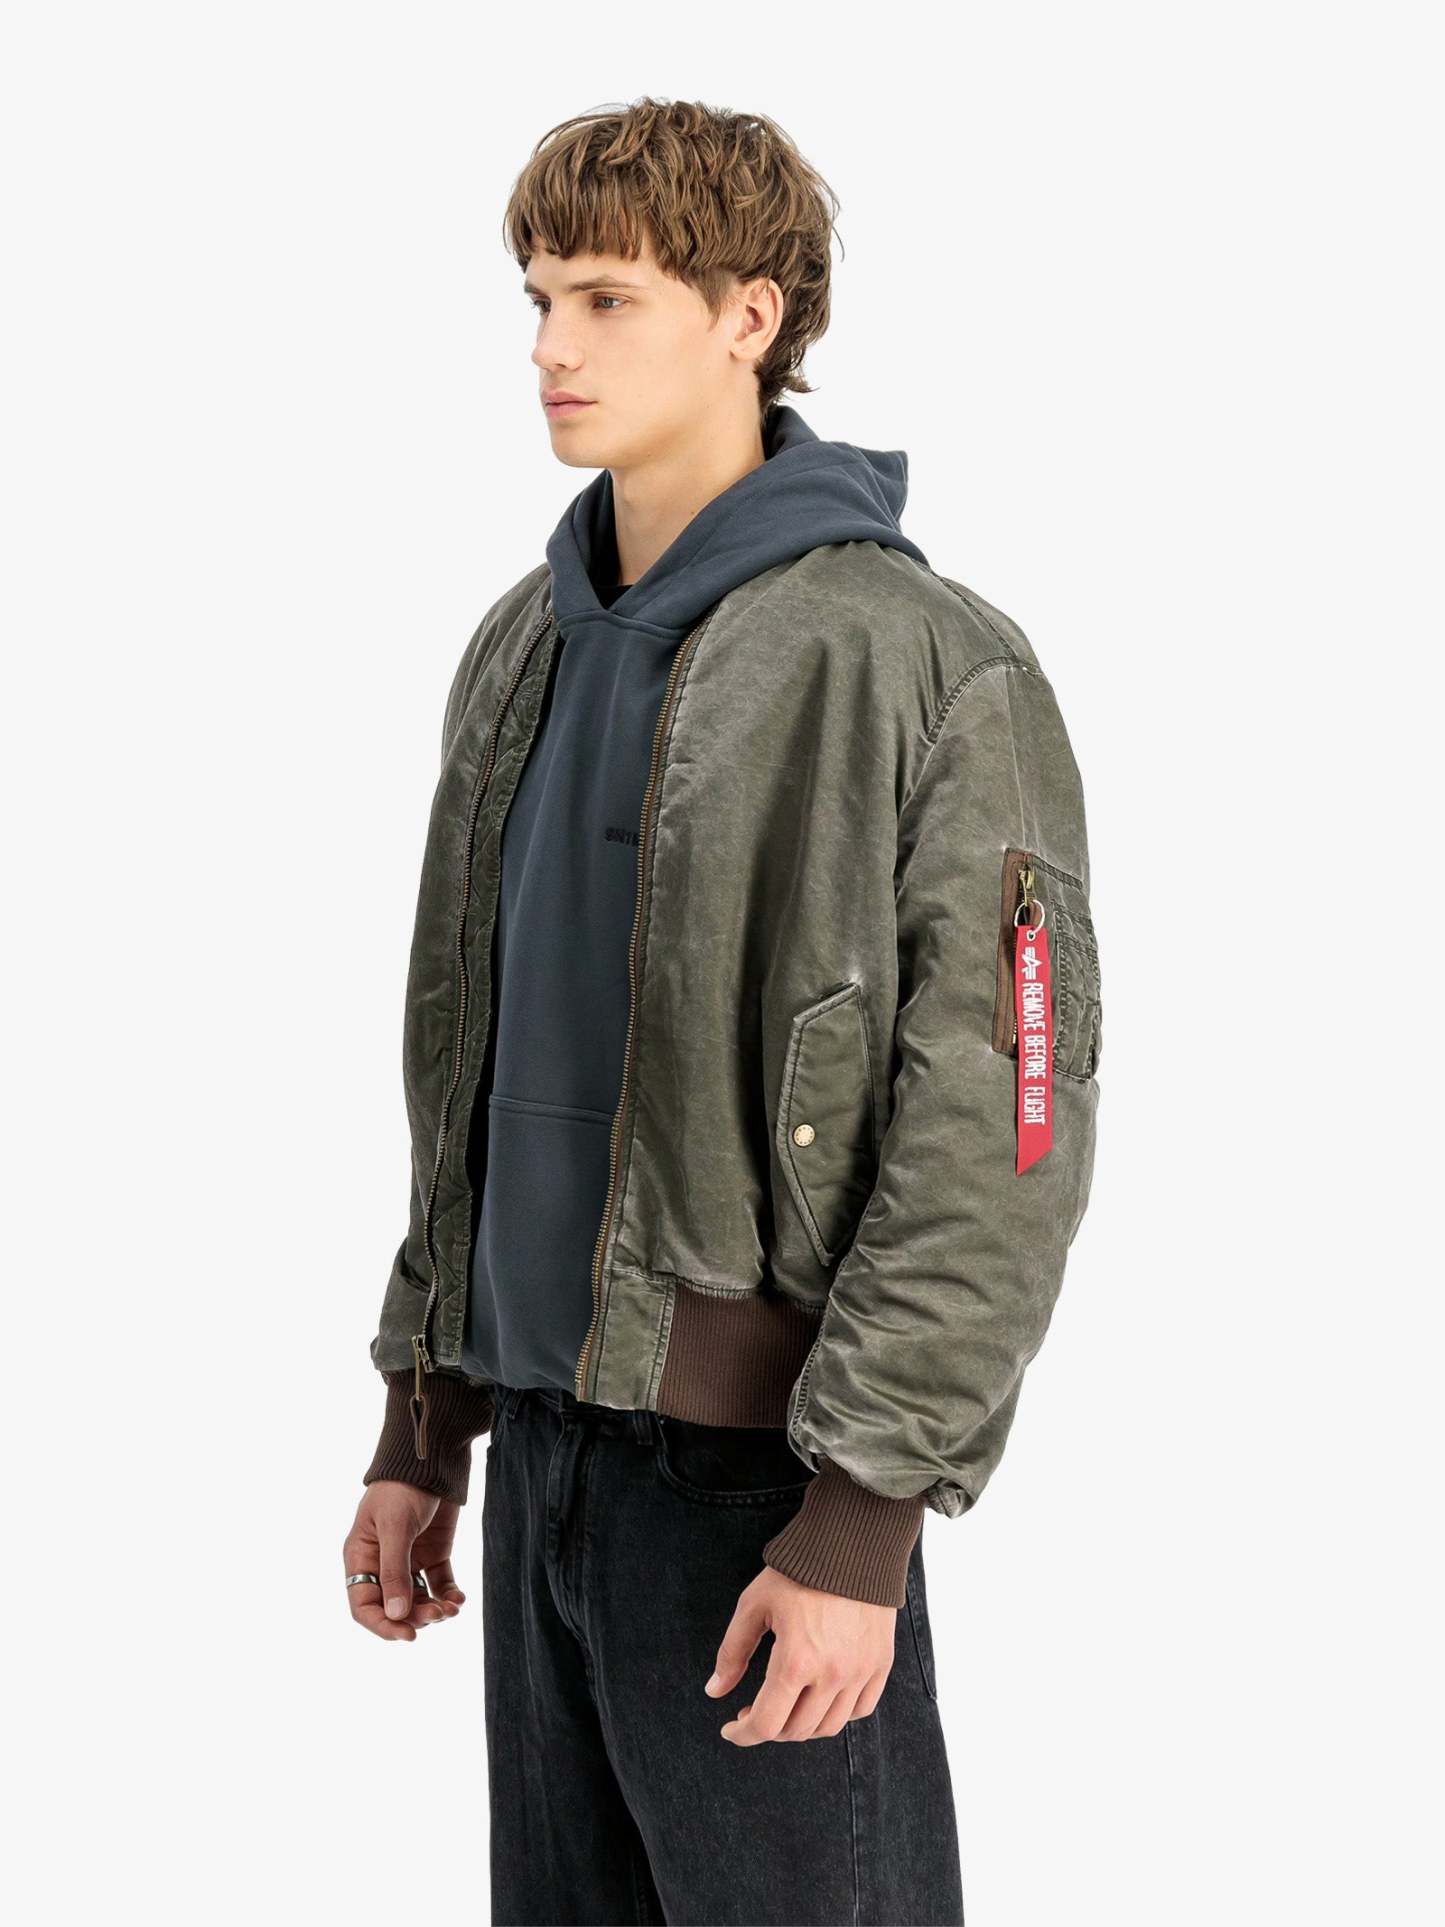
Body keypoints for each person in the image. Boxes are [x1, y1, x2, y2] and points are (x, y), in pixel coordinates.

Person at [342, 95, 1101, 1927]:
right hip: (544, 1456)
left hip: (765, 1490)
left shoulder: (922, 661)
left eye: (605, 299)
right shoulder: (522, 646)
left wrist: (860, 1523)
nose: (551, 346)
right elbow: (471, 1051)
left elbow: (1003, 1119)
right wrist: (423, 1415)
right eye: (538, 298)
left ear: (749, 317)